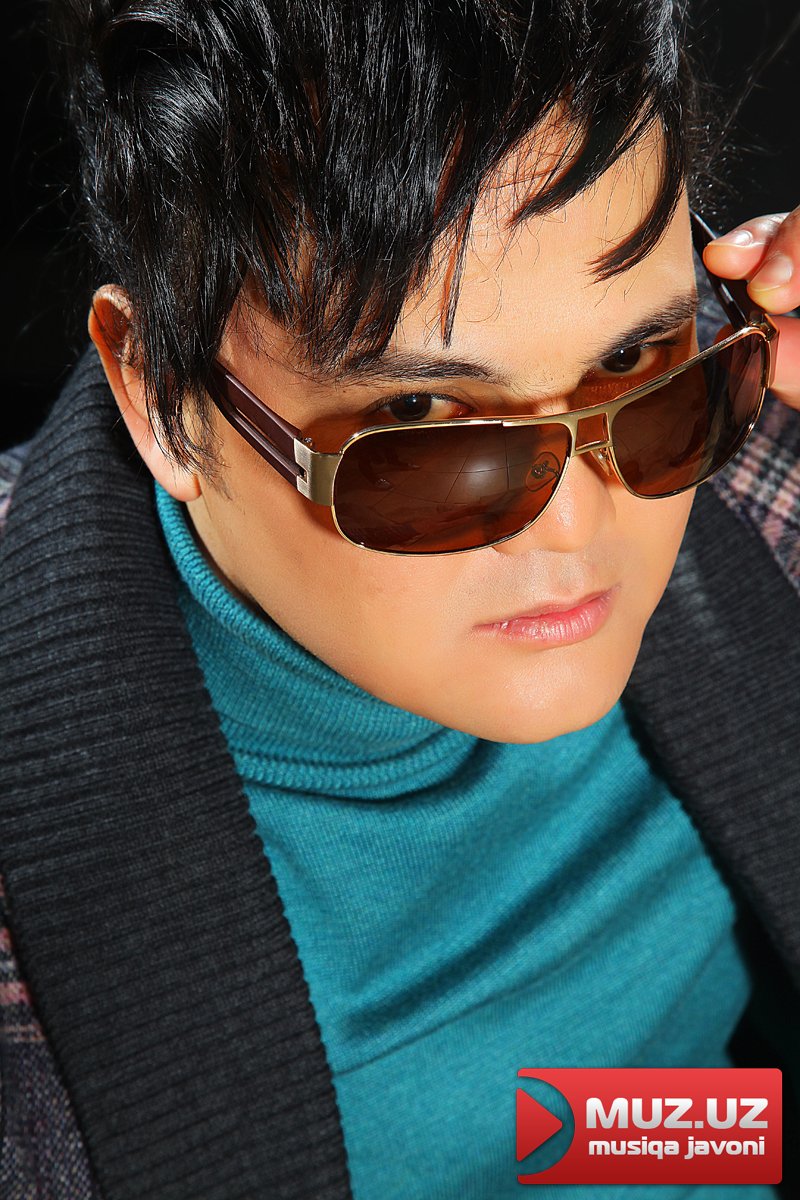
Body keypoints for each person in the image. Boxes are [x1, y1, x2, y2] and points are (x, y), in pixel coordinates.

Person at [0, 1, 799, 1197]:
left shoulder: (753, 451)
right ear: (158, 392)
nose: (575, 526)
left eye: (632, 362)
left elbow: (611, 1124)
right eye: (421, 423)